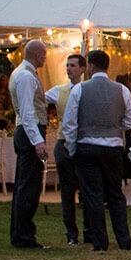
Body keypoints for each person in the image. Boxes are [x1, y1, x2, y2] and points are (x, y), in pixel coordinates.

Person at [61, 50, 131, 252]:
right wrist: (115, 125)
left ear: (91, 67)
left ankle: (100, 242)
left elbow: (69, 123)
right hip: (112, 147)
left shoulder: (79, 90)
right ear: (107, 66)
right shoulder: (121, 90)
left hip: (87, 146)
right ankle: (124, 240)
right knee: (116, 194)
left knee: (93, 195)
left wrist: (72, 147)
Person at [7, 40, 51, 250]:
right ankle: (24, 236)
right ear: (37, 55)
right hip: (29, 132)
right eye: (44, 55)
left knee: (23, 185)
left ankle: (19, 233)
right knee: (29, 187)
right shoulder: (26, 76)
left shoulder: (21, 73)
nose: (46, 58)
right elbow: (27, 112)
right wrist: (38, 140)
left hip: (25, 132)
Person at [45, 54, 88, 245]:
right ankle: (71, 234)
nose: (69, 69)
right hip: (63, 144)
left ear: (82, 69)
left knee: (87, 191)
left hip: (84, 143)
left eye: (72, 66)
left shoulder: (88, 90)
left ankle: (89, 231)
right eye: (67, 65)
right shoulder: (58, 91)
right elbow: (38, 99)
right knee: (67, 191)